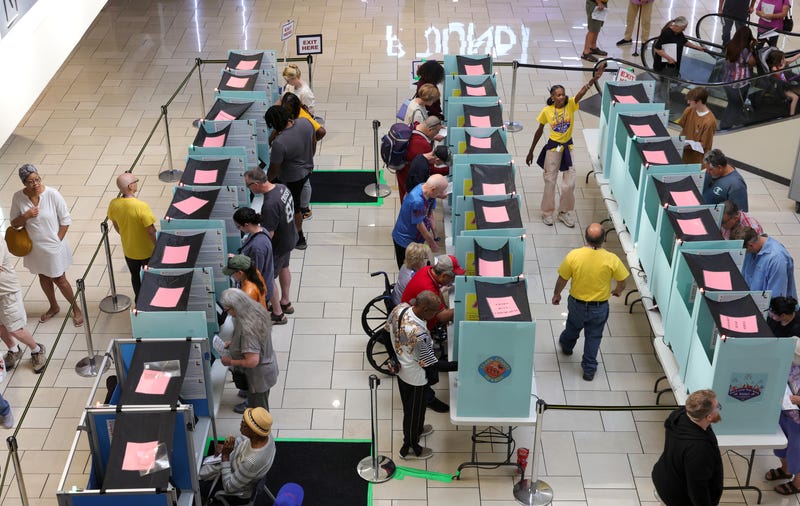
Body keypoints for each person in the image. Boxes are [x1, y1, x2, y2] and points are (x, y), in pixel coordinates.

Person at [525, 66, 603, 227]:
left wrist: (593, 80)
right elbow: (539, 131)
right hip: (553, 149)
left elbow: (581, 93)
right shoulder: (547, 111)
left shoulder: (571, 105)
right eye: (558, 95)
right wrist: (531, 151)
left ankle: (564, 212)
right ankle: (547, 212)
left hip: (568, 148)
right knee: (550, 181)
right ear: (552, 97)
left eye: (563, 94)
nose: (562, 97)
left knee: (570, 183)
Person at [552, 223, 629, 381]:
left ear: (585, 237)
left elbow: (563, 278)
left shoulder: (574, 255)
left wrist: (557, 294)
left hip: (576, 304)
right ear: (604, 239)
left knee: (573, 326)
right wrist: (618, 291)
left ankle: (567, 346)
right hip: (599, 308)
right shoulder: (611, 259)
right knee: (594, 336)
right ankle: (588, 369)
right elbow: (623, 280)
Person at [10, 164, 84, 327]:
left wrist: (57, 240)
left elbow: (65, 220)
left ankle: (76, 309)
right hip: (34, 247)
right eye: (30, 181)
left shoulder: (52, 194)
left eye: (37, 179)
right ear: (24, 183)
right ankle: (54, 306)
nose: (35, 184)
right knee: (43, 276)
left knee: (59, 278)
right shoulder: (18, 198)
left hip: (53, 246)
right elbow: (14, 224)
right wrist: (26, 216)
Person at [387, 290, 441, 460]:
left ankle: (417, 429)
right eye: (434, 312)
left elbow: (386, 330)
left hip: (401, 368)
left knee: (412, 407)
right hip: (415, 378)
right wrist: (459, 365)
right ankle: (411, 446)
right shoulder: (417, 333)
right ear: (425, 309)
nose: (435, 316)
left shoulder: (400, 308)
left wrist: (394, 357)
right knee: (412, 412)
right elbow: (431, 363)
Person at [651, 389, 724, 506]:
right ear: (709, 417)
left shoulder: (679, 415)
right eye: (718, 407)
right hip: (678, 497)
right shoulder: (699, 449)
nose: (719, 410)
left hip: (665, 479)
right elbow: (697, 488)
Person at [244, 168, 298, 325]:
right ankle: (286, 302)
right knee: (284, 267)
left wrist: (253, 241)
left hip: (278, 244)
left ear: (256, 184)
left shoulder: (269, 204)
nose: (249, 189)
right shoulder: (282, 188)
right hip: (289, 236)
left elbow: (269, 235)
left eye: (248, 186)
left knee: (269, 278)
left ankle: (278, 313)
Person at [199, 407, 276, 505]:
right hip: (234, 468)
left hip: (235, 488)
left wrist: (225, 456)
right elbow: (245, 440)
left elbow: (229, 487)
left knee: (190, 484)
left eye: (245, 423)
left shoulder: (252, 461)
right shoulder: (266, 435)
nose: (241, 423)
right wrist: (229, 445)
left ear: (255, 433)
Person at [219, 288, 279, 414]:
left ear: (235, 307)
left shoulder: (248, 329)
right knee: (256, 408)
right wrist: (235, 343)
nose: (227, 313)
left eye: (228, 309)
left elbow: (252, 361)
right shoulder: (255, 308)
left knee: (259, 414)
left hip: (258, 377)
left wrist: (231, 361)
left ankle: (261, 434)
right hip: (267, 367)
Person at [264, 106, 315, 250]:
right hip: (307, 167)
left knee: (295, 206)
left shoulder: (279, 143)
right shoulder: (305, 123)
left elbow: (274, 169)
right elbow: (313, 141)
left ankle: (299, 238)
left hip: (292, 177)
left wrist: (266, 180)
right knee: (298, 199)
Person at [764, 296, 800, 495]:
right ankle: (785, 470)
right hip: (786, 410)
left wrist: (798, 400)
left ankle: (797, 483)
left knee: (797, 450)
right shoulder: (793, 360)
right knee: (782, 444)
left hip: (797, 415)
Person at [106, 172, 157, 302]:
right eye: (135, 181)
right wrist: (158, 246)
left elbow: (116, 225)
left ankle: (139, 300)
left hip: (129, 251)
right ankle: (152, 300)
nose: (136, 183)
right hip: (147, 251)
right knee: (150, 276)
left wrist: (126, 234)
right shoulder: (141, 206)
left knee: (135, 276)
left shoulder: (114, 204)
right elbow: (150, 230)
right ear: (130, 186)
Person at [0, 239, 46, 374]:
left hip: (8, 292)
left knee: (15, 328)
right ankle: (14, 350)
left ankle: (37, 350)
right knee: (1, 325)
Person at [279, 92, 324, 221]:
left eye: (287, 108)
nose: (285, 110)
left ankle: (305, 210)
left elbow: (321, 131)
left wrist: (310, 150)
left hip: (303, 157)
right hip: (301, 155)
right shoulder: (292, 115)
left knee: (304, 181)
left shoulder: (303, 118)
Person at [391, 174, 449, 269]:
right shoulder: (417, 201)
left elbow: (430, 213)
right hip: (405, 241)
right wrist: (432, 243)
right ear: (433, 189)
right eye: (441, 192)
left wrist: (436, 235)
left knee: (417, 265)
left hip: (417, 238)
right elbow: (420, 226)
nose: (443, 194)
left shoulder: (427, 189)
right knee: (407, 269)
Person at [732, 226, 797, 298]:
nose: (744, 253)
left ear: (750, 245)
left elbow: (776, 297)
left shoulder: (777, 259)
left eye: (745, 251)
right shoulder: (752, 250)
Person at [653, 17, 708, 102]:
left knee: (668, 80)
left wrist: (697, 47)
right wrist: (669, 58)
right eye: (683, 28)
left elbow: (684, 41)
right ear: (677, 26)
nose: (684, 29)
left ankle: (666, 94)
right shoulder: (667, 33)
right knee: (665, 83)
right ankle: (665, 102)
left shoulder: (679, 32)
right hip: (664, 65)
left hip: (673, 63)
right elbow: (657, 49)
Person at [233, 207, 275, 302]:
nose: (239, 229)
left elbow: (255, 272)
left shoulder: (257, 247)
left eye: (239, 227)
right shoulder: (262, 230)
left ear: (246, 225)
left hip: (257, 291)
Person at [397, 116, 444, 201]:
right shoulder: (423, 146)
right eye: (436, 132)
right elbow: (431, 171)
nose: (436, 135)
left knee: (403, 193)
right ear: (430, 130)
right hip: (410, 174)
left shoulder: (415, 125)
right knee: (411, 197)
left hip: (401, 168)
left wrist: (438, 126)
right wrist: (450, 169)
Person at [720, 26, 757, 129]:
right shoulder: (744, 51)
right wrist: (751, 48)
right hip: (740, 84)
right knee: (735, 107)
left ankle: (728, 123)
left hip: (728, 81)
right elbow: (753, 62)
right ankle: (725, 127)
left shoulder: (729, 45)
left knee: (732, 105)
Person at [677, 87, 716, 164]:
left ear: (699, 102)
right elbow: (683, 127)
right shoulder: (688, 110)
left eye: (690, 101)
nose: (688, 102)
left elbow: (704, 145)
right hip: (683, 154)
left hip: (696, 160)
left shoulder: (709, 121)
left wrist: (688, 145)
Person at [766, 50, 800, 116]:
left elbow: (793, 59)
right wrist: (784, 64)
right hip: (781, 88)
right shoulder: (774, 68)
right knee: (795, 97)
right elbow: (779, 71)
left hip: (787, 85)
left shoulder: (781, 64)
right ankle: (792, 114)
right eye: (782, 58)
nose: (784, 60)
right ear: (778, 60)